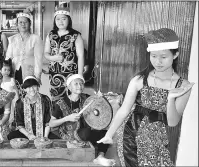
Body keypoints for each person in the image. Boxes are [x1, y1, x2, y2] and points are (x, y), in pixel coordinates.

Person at [97, 28, 195, 166]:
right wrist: (109, 134)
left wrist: (171, 98)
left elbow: (173, 122)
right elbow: (124, 109)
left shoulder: (182, 86)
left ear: (175, 55)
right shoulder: (139, 80)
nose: (158, 61)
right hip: (130, 134)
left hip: (156, 138)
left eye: (163, 57)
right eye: (153, 56)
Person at [49, 74, 115, 166]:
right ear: (69, 87)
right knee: (86, 133)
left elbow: (97, 106)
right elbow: (51, 123)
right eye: (76, 84)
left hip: (84, 130)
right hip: (68, 132)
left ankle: (100, 157)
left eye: (81, 83)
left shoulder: (87, 98)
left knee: (105, 134)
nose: (79, 86)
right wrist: (67, 118)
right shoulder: (60, 103)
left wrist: (101, 99)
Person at [44, 7, 85, 101]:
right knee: (55, 97)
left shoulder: (75, 35)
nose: (60, 21)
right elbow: (46, 53)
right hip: (54, 74)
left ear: (69, 20)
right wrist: (52, 58)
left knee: (71, 97)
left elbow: (81, 56)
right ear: (54, 21)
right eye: (58, 19)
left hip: (71, 73)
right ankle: (57, 115)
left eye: (64, 18)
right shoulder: (51, 34)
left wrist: (79, 75)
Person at [7, 76, 59, 140]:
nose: (32, 89)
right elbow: (19, 123)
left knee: (57, 140)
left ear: (38, 86)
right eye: (28, 87)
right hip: (26, 132)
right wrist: (28, 135)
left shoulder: (45, 99)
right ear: (24, 89)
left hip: (43, 131)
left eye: (34, 86)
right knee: (11, 136)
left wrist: (45, 137)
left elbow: (48, 121)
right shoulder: (19, 103)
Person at [5, 10, 43, 85]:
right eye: (20, 22)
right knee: (16, 93)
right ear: (17, 25)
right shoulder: (12, 39)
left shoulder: (35, 38)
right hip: (14, 70)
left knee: (29, 93)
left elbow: (38, 59)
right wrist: (5, 72)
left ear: (29, 24)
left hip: (30, 71)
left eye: (25, 22)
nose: (23, 24)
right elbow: (8, 57)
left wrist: (37, 75)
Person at [0, 59, 19, 125]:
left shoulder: (11, 80)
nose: (7, 72)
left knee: (10, 112)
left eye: (8, 70)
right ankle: (2, 123)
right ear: (1, 69)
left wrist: (17, 99)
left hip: (10, 99)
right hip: (1, 99)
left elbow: (15, 90)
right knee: (2, 112)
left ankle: (10, 124)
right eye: (5, 69)